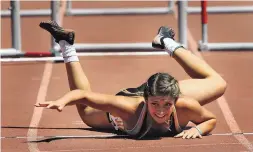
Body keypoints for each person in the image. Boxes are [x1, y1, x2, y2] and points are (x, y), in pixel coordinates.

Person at [35, 21, 227, 139]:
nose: (161, 111)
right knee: (86, 114)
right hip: (132, 101)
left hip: (159, 90)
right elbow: (83, 95)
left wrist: (200, 130)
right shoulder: (127, 109)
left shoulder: (185, 107)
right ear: (146, 99)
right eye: (155, 105)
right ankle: (66, 45)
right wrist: (62, 101)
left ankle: (166, 41)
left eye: (167, 105)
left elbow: (210, 119)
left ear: (176, 100)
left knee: (219, 83)